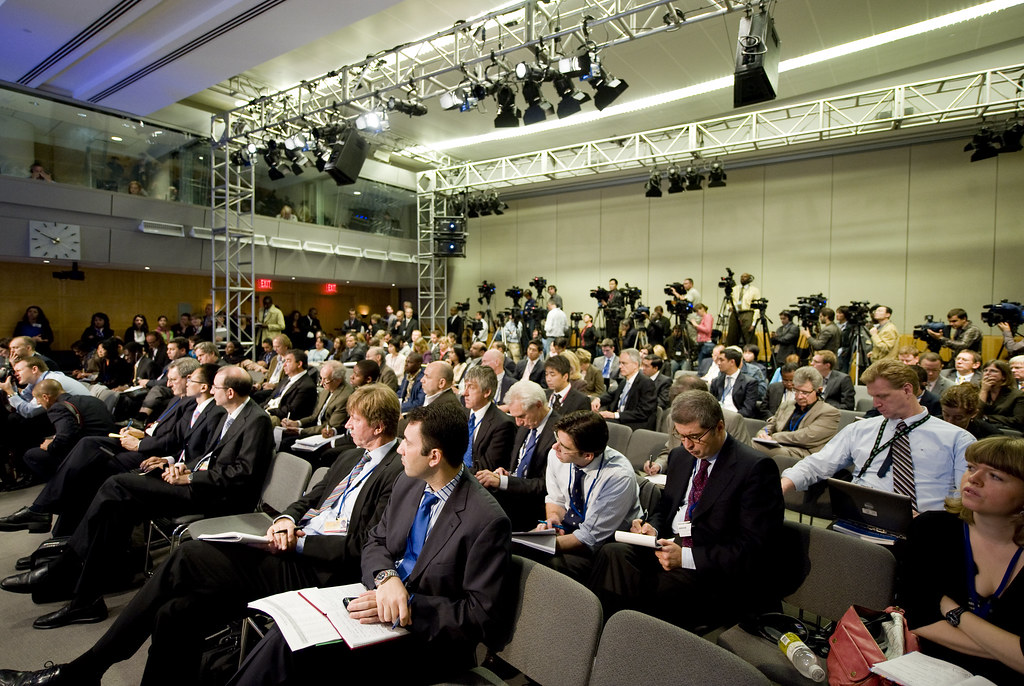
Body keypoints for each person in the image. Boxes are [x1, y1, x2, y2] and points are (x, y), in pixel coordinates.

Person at [0, 385, 405, 685]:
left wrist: (297, 540)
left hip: (315, 569)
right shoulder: (351, 456)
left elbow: (361, 546)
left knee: (188, 556)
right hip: (285, 542)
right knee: (174, 613)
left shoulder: (394, 474)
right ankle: (89, 670)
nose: (347, 424)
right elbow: (310, 499)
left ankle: (85, 670)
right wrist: (285, 521)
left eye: (354, 418)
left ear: (380, 425)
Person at [223, 401, 512, 685]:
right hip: (374, 602)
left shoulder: (486, 520)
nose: (398, 448)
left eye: (408, 443)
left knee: (296, 653)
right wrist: (386, 579)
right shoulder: (409, 481)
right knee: (287, 635)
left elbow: (481, 616)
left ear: (434, 456)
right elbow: (376, 541)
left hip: (424, 640)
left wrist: (407, 605)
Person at [0, 366, 275, 629]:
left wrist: (191, 477)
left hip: (217, 498)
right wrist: (182, 466)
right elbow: (207, 456)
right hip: (200, 484)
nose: (211, 392)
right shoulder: (231, 413)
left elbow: (243, 475)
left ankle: (66, 566)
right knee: (116, 508)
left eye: (215, 388)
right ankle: (85, 598)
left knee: (116, 485)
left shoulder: (256, 420)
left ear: (229, 392)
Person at [590, 390, 788, 631]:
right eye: (680, 436)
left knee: (661, 586)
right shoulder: (680, 456)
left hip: (713, 565)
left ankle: (643, 648)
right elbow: (666, 508)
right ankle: (607, 635)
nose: (688, 445)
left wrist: (685, 557)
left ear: (719, 427)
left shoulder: (755, 468)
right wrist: (652, 526)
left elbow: (754, 548)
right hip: (670, 545)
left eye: (695, 436)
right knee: (613, 553)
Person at [899, 436, 1024, 685]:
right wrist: (1010, 652)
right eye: (971, 467)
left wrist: (952, 611)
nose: (973, 479)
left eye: (995, 476)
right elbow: (917, 619)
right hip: (924, 668)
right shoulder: (932, 529)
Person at [781, 360, 975, 513]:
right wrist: (784, 484)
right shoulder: (859, 430)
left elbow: (964, 499)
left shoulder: (957, 439)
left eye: (882, 396)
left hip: (925, 528)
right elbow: (818, 464)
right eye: (873, 396)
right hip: (863, 518)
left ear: (907, 390)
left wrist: (930, 520)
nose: (876, 404)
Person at [537, 411, 640, 580]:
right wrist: (554, 517)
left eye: (564, 446)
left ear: (587, 455)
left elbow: (589, 538)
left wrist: (540, 544)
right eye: (557, 440)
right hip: (573, 532)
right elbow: (556, 499)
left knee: (538, 562)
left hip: (607, 546)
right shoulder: (557, 456)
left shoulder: (618, 476)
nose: (555, 447)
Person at [475, 380, 557, 531]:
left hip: (534, 507)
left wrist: (504, 481)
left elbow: (545, 486)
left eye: (522, 416)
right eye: (515, 417)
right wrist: (505, 473)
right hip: (514, 495)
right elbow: (518, 464)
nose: (518, 423)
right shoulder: (527, 424)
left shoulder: (559, 433)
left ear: (539, 405)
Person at [19, 379, 117, 480]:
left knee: (31, 455)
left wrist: (49, 446)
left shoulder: (57, 408)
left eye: (37, 399)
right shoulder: (92, 399)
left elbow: (64, 439)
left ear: (45, 397)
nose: (38, 402)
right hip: (111, 446)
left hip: (87, 453)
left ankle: (63, 486)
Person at [754, 366, 840, 458]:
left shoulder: (829, 412)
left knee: (754, 447)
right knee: (752, 444)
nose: (799, 396)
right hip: (779, 446)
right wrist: (762, 434)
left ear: (818, 391)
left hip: (804, 454)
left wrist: (774, 437)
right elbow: (770, 426)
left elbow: (806, 437)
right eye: (796, 391)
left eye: (804, 392)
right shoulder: (787, 405)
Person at [462, 365, 516, 473]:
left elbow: (486, 467)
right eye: (465, 386)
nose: (464, 393)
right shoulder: (462, 414)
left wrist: (451, 470)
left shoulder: (503, 424)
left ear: (487, 392)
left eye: (471, 387)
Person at [591, 348, 658, 431]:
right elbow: (612, 394)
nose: (620, 366)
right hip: (620, 420)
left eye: (624, 363)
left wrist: (615, 415)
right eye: (620, 363)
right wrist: (598, 399)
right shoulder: (624, 381)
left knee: (597, 424)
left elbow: (643, 412)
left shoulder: (646, 383)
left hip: (634, 423)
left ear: (635, 365)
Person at [709, 347, 760, 418]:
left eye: (722, 360)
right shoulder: (716, 381)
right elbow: (710, 404)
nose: (718, 363)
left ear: (732, 362)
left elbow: (748, 409)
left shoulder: (749, 383)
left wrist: (732, 418)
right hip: (717, 417)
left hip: (737, 418)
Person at [978, 360, 1024, 431]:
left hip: (1007, 432)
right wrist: (984, 390)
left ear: (1004, 376)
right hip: (981, 429)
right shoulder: (977, 391)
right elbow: (975, 414)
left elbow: (1018, 420)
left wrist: (988, 418)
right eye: (985, 370)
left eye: (993, 371)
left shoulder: (1017, 395)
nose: (987, 373)